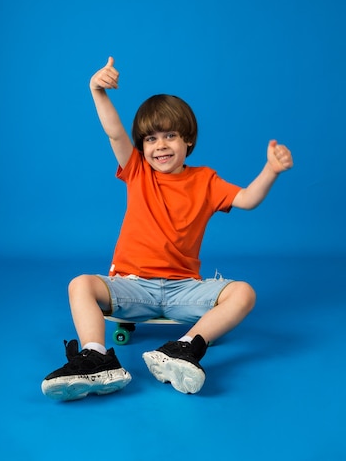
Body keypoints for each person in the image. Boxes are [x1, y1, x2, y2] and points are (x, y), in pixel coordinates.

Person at [41, 56, 293, 400]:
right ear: (142, 147)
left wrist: (271, 171)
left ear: (187, 140)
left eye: (170, 136)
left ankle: (185, 347)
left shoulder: (206, 180)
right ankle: (96, 357)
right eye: (151, 139)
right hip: (133, 287)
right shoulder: (137, 172)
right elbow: (114, 130)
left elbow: (248, 199)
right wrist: (97, 91)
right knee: (80, 284)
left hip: (184, 291)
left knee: (244, 292)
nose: (160, 145)